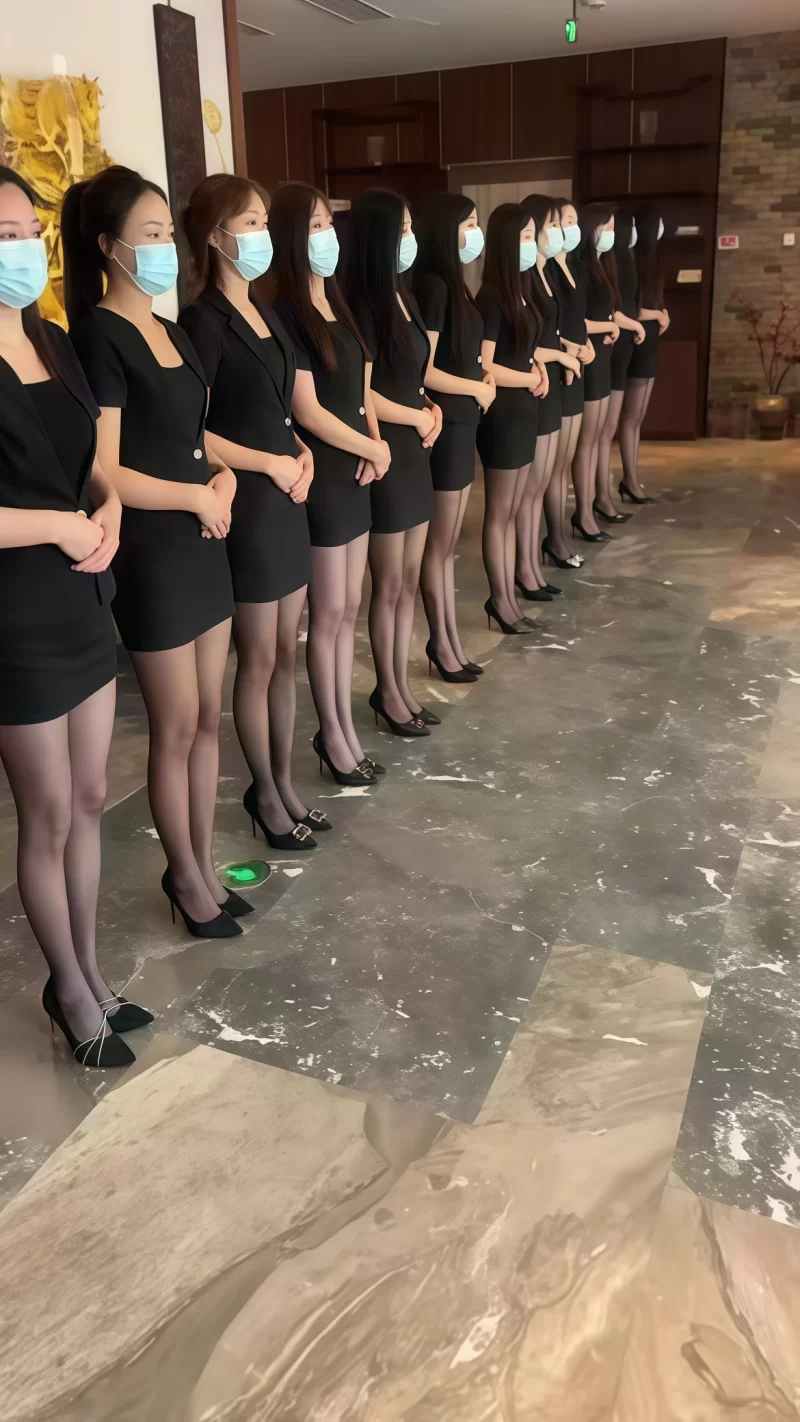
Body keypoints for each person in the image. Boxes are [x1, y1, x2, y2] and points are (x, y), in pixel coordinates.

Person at [63, 165, 247, 941]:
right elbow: (103, 467)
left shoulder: (172, 331)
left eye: (168, 233)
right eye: (149, 235)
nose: (166, 247)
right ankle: (184, 875)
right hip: (154, 554)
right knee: (174, 726)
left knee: (207, 717)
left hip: (204, 539)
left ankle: (202, 864)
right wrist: (194, 498)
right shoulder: (98, 336)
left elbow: (192, 436)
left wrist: (224, 477)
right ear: (109, 248)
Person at [0, 166, 151, 1068]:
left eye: (28, 233)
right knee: (50, 811)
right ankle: (66, 988)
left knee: (91, 797)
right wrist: (59, 524)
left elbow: (92, 460)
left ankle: (91, 971)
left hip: (85, 592)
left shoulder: (51, 339)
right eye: (2, 236)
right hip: (15, 615)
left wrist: (111, 508)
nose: (21, 249)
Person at [179, 174, 329, 853]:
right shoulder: (202, 321)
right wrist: (267, 463)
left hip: (289, 493)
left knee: (287, 653)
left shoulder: (267, 311)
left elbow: (284, 408)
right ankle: (264, 793)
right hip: (252, 502)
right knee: (260, 657)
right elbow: (197, 429)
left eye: (266, 221)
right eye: (250, 223)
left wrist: (301, 452)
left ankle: (286, 784)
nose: (263, 234)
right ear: (215, 237)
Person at [266, 183, 391, 784]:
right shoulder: (287, 314)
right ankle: (333, 732)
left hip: (359, 467)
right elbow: (309, 411)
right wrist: (370, 447)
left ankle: (342, 726)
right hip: (323, 474)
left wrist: (375, 444)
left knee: (350, 607)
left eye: (328, 224)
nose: (327, 236)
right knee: (329, 610)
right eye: (314, 225)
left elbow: (362, 391)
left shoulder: (339, 303)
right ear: (292, 235)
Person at [342, 189, 440, 737]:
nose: (410, 238)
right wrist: (415, 417)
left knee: (408, 579)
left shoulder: (405, 294)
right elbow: (364, 395)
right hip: (387, 451)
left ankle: (401, 685)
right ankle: (388, 688)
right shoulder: (362, 304)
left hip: (416, 447)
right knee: (389, 583)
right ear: (379, 237)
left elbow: (414, 375)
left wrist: (431, 408)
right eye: (402, 230)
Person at [414, 193, 493, 684]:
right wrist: (476, 387)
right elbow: (424, 370)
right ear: (447, 230)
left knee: (449, 544)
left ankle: (450, 641)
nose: (475, 232)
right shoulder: (433, 287)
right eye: (469, 223)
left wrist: (482, 379)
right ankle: (441, 643)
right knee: (439, 545)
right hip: (447, 424)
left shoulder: (457, 284)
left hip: (465, 421)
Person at [475, 203, 542, 636]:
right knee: (499, 513)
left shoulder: (523, 291)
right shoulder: (492, 296)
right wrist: (530, 377)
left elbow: (524, 350)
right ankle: (499, 600)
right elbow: (486, 365)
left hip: (526, 409)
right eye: (526, 237)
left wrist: (538, 367)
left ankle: (510, 597)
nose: (532, 245)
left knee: (515, 509)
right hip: (502, 414)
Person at [516, 194, 581, 601]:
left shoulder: (547, 273)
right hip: (536, 385)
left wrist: (570, 349)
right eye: (552, 224)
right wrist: (559, 354)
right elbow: (524, 346)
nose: (557, 231)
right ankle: (525, 568)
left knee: (542, 482)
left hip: (552, 381)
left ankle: (533, 565)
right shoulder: (523, 278)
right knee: (532, 486)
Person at [542, 198, 594, 570]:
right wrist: (569, 350)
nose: (567, 228)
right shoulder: (544, 269)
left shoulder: (573, 266)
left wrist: (585, 345)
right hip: (559, 367)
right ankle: (555, 538)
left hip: (575, 364)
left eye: (572, 221)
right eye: (562, 222)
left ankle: (558, 536)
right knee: (554, 464)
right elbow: (549, 328)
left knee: (565, 461)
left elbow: (577, 319)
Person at [570, 203, 621, 544]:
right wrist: (610, 326)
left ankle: (595, 505)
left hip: (603, 358)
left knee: (599, 435)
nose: (611, 234)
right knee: (586, 443)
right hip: (589, 358)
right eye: (607, 228)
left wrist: (613, 324)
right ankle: (584, 513)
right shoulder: (582, 268)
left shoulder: (603, 266)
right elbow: (580, 321)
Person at [594, 208, 647, 522]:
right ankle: (601, 498)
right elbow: (610, 313)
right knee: (604, 430)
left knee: (608, 428)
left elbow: (614, 310)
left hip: (618, 348)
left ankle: (604, 497)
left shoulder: (612, 263)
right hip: (608, 352)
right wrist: (629, 324)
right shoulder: (597, 265)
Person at [617, 203, 669, 505]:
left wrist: (663, 313)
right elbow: (631, 309)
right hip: (636, 339)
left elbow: (650, 303)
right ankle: (630, 480)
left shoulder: (651, 259)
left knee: (637, 418)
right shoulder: (631, 260)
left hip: (648, 341)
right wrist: (658, 315)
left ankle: (632, 479)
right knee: (630, 417)